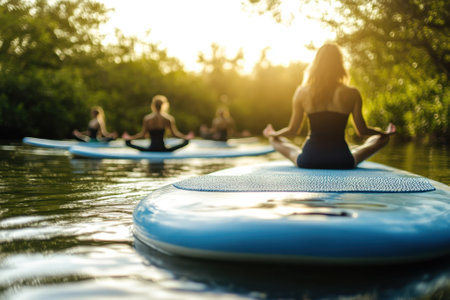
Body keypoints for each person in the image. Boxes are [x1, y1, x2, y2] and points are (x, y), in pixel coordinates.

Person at [263, 43, 396, 169]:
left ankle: (272, 136)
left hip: (309, 159)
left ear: (316, 65)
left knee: (275, 141)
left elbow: (293, 130)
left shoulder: (301, 92)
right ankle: (376, 139)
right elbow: (362, 131)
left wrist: (274, 134)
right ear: (340, 65)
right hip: (342, 160)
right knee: (381, 139)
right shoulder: (352, 93)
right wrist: (384, 133)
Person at [122, 95, 194, 152]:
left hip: (150, 149)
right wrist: (185, 137)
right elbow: (174, 134)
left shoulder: (147, 119)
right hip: (164, 149)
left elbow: (142, 135)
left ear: (153, 105)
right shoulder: (168, 119)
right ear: (163, 106)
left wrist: (130, 138)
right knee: (186, 142)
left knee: (127, 143)